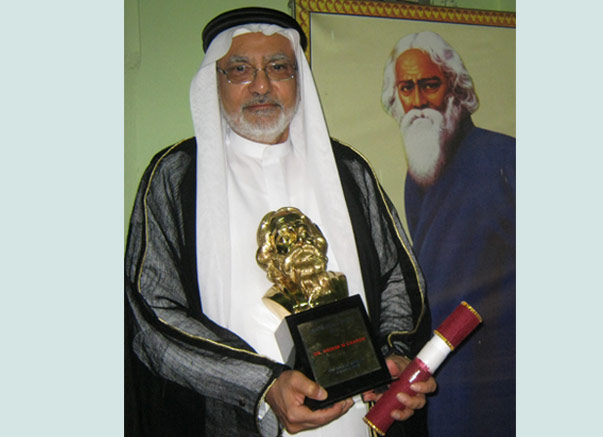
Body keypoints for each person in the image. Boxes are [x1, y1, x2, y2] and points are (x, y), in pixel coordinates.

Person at [125, 8, 434, 437]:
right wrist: (263, 384)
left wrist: (393, 354)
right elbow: (153, 313)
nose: (261, 85)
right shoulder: (177, 176)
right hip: (235, 420)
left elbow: (396, 278)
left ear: (297, 78)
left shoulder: (348, 169)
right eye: (240, 69)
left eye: (277, 67)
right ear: (215, 81)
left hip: (360, 421)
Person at [381, 31, 515, 436]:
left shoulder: (507, 158)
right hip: (442, 375)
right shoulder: (420, 170)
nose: (418, 101)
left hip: (502, 377)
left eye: (430, 84)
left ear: (456, 88)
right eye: (407, 88)